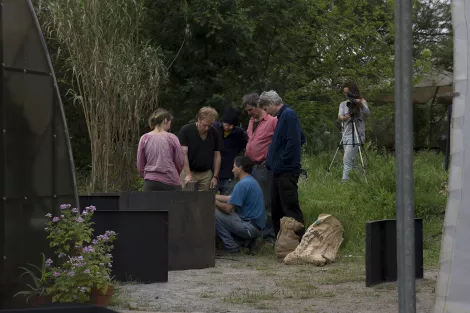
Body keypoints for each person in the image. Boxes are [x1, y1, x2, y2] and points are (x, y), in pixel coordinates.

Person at [259, 90, 305, 238]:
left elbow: (295, 141)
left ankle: (298, 240)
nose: (266, 113)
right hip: (278, 171)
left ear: (272, 104)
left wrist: (280, 161)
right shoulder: (282, 117)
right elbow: (301, 136)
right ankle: (282, 242)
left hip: (286, 170)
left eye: (266, 109)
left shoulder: (288, 115)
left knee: (289, 207)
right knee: (277, 208)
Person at [243, 93, 278, 244]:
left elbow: (277, 141)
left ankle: (269, 236)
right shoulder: (252, 121)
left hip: (263, 167)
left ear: (258, 106)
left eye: (250, 110)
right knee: (252, 201)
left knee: (266, 201)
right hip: (250, 166)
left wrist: (268, 158)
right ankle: (254, 234)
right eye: (247, 111)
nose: (249, 113)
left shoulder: (272, 121)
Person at [215, 156, 265, 255]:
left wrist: (213, 202)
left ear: (240, 168)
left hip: (249, 226)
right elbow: (230, 198)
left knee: (214, 213)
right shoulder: (250, 181)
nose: (232, 170)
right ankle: (248, 242)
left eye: (234, 167)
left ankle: (231, 247)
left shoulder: (242, 185)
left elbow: (228, 209)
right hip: (257, 227)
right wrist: (212, 196)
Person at [137, 108, 185, 191]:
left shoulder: (144, 138)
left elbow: (140, 161)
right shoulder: (172, 138)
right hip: (171, 181)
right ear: (166, 120)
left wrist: (143, 174)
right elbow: (180, 161)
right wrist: (176, 173)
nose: (170, 125)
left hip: (151, 182)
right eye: (170, 122)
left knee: (151, 204)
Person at [178, 106, 223, 191]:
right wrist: (188, 174)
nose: (207, 128)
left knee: (204, 200)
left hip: (206, 173)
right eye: (205, 125)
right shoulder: (186, 130)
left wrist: (215, 177)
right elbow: (183, 153)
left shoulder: (214, 133)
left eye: (210, 125)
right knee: (186, 198)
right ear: (199, 119)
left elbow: (217, 155)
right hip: (189, 170)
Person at [338, 82, 370, 182]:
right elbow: (339, 116)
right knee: (353, 160)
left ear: (353, 92)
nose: (346, 95)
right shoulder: (343, 104)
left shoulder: (361, 101)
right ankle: (358, 180)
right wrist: (345, 117)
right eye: (344, 93)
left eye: (348, 93)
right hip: (345, 133)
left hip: (357, 134)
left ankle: (344, 182)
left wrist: (359, 103)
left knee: (347, 159)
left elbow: (367, 112)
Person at [214, 107, 248, 195]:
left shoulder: (239, 133)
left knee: (227, 200)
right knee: (209, 200)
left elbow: (244, 145)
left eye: (233, 125)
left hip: (229, 172)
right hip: (213, 171)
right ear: (222, 121)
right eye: (228, 124)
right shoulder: (214, 129)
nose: (230, 127)